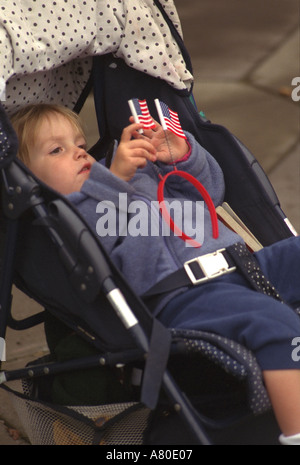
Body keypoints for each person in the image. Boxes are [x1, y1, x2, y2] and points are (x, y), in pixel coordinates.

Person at [10, 103, 300, 445]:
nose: (78, 154)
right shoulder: (72, 218)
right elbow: (128, 259)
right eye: (57, 150)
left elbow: (207, 194)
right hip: (188, 295)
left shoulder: (135, 175)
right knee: (273, 324)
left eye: (80, 144)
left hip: (244, 266)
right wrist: (113, 184)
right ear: (29, 183)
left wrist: (182, 158)